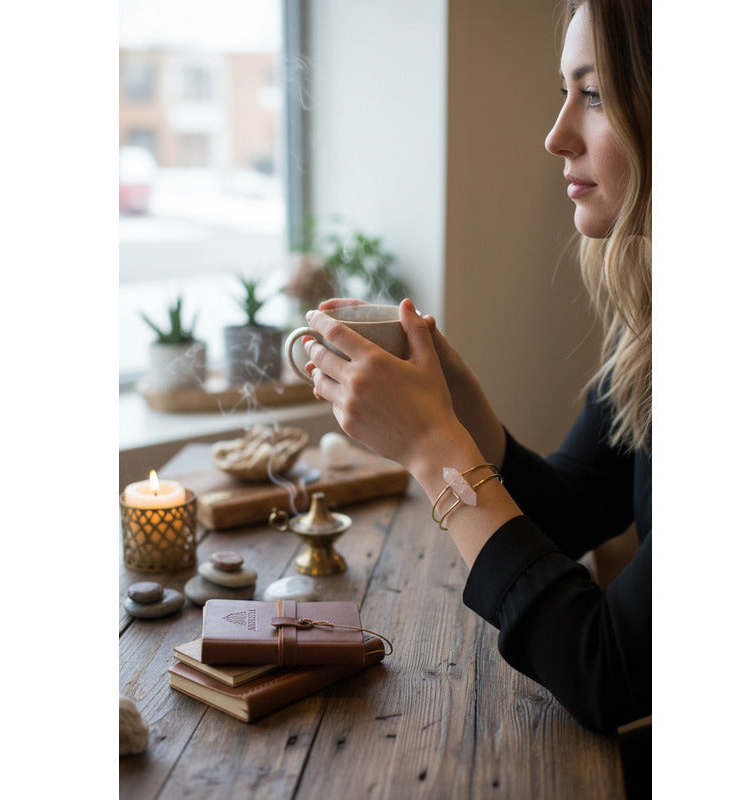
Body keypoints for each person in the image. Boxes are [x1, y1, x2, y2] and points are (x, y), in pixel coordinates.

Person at [301, 0, 651, 794]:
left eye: (593, 95)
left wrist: (434, 452)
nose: (556, 134)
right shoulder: (657, 328)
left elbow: (609, 674)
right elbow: (569, 513)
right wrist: (458, 412)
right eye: (564, 91)